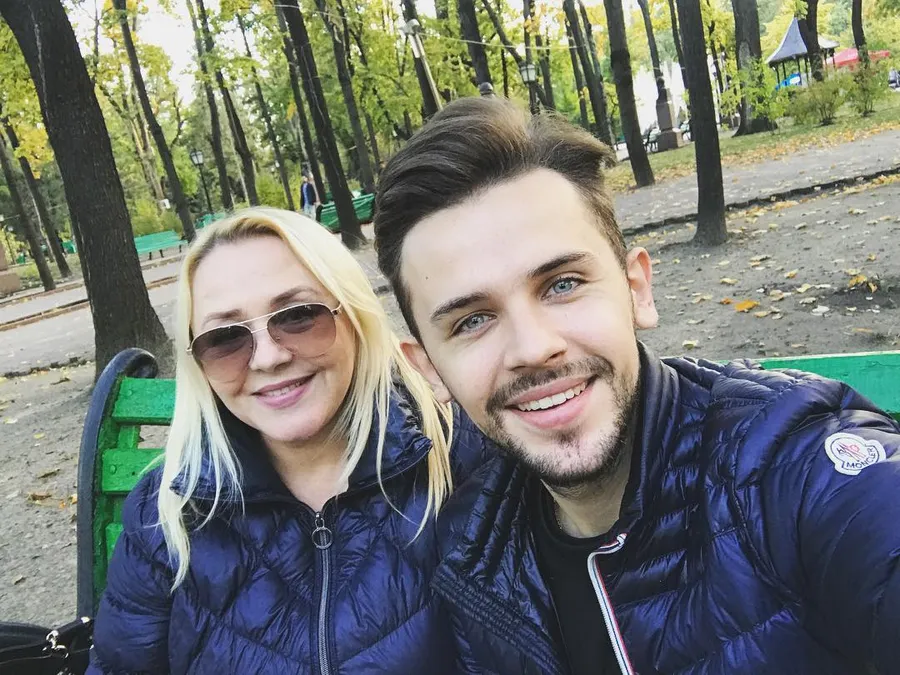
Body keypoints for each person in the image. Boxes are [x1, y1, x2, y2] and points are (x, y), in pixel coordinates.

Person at [373, 98, 900, 674]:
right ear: (428, 369)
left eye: (562, 284)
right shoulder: (471, 553)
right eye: (472, 320)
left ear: (636, 290)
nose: (533, 349)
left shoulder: (789, 467)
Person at [87, 207, 490, 673]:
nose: (268, 358)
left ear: (355, 317)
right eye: (225, 339)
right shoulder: (166, 510)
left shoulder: (465, 462)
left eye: (298, 316)